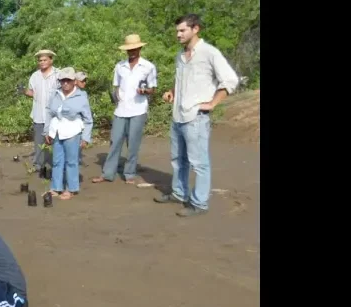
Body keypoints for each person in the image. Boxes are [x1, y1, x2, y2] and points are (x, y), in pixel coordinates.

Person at [155, 14, 239, 217]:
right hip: (178, 115)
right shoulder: (180, 55)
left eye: (182, 30)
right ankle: (179, 193)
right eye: (177, 31)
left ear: (195, 29)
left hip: (196, 117)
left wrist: (212, 103)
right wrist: (172, 92)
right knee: (178, 159)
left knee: (199, 163)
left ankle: (199, 203)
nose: (178, 34)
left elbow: (230, 80)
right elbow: (181, 80)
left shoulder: (210, 53)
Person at [92, 34, 158, 186]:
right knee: (115, 141)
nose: (132, 52)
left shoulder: (148, 67)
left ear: (139, 49)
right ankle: (108, 173)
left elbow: (153, 89)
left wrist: (145, 91)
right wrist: (117, 97)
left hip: (138, 109)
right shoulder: (120, 66)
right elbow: (116, 86)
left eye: (134, 49)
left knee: (133, 143)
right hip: (121, 109)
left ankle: (129, 173)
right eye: (129, 49)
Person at [43, 68, 93, 200]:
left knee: (71, 162)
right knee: (56, 161)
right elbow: (49, 112)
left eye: (68, 80)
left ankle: (71, 189)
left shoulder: (81, 96)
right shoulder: (55, 94)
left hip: (73, 132)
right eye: (63, 80)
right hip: (57, 130)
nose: (65, 83)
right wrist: (46, 131)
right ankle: (56, 187)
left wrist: (85, 137)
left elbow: (88, 119)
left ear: (74, 81)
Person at [23, 49, 60, 172]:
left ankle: (57, 166)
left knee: (57, 143)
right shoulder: (35, 76)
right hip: (38, 115)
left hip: (55, 116)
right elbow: (32, 93)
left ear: (51, 60)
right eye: (40, 60)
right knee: (39, 143)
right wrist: (23, 91)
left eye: (45, 60)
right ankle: (39, 166)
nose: (42, 62)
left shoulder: (58, 74)